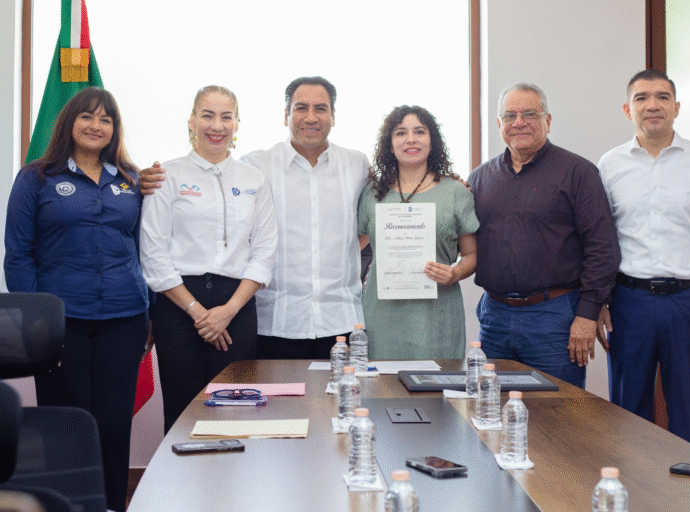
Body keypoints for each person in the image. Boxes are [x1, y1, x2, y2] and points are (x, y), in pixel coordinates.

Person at [140, 76, 369, 360]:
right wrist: (143, 180)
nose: (311, 117)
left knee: (337, 402)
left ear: (333, 116)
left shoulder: (358, 165)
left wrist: (340, 249)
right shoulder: (254, 166)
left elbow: (372, 220)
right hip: (276, 322)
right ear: (286, 116)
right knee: (265, 404)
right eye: (301, 108)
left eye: (321, 108)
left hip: (342, 319)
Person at [4, 87, 148, 512]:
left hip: (124, 317)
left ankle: (110, 507)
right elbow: (18, 252)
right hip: (59, 323)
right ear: (69, 122)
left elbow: (146, 249)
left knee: (114, 421)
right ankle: (66, 505)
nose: (95, 126)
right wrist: (35, 324)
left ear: (114, 129)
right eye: (87, 117)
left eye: (105, 120)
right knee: (66, 423)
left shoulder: (132, 180)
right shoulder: (37, 177)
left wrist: (152, 314)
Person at [596, 69, 690, 448]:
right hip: (629, 303)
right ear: (628, 110)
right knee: (627, 414)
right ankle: (633, 499)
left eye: (662, 97)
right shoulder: (609, 165)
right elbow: (598, 240)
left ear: (676, 108)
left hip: (689, 304)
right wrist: (600, 301)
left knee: (688, 414)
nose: (652, 105)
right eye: (642, 97)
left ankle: (688, 501)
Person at [139, 85, 277, 433]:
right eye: (207, 115)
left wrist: (227, 312)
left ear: (236, 124)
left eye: (226, 117)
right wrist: (199, 314)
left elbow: (264, 251)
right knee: (183, 412)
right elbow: (153, 253)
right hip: (179, 305)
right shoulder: (166, 175)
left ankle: (231, 487)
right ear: (192, 121)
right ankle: (179, 486)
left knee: (237, 410)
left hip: (237, 306)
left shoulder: (254, 179)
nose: (217, 125)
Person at [467, 83, 620, 388]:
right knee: (491, 413)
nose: (518, 122)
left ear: (548, 121)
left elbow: (603, 248)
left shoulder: (578, 173)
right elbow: (461, 239)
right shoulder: (480, 178)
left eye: (529, 114)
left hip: (554, 318)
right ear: (499, 124)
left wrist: (587, 314)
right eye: (509, 116)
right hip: (494, 318)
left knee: (557, 418)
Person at [357, 106, 479, 359]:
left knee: (436, 391)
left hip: (438, 314)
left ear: (432, 141)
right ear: (390, 145)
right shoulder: (371, 193)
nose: (411, 139)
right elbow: (353, 247)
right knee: (383, 393)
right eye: (401, 133)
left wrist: (455, 272)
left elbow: (472, 255)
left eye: (419, 132)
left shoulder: (455, 191)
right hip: (382, 313)